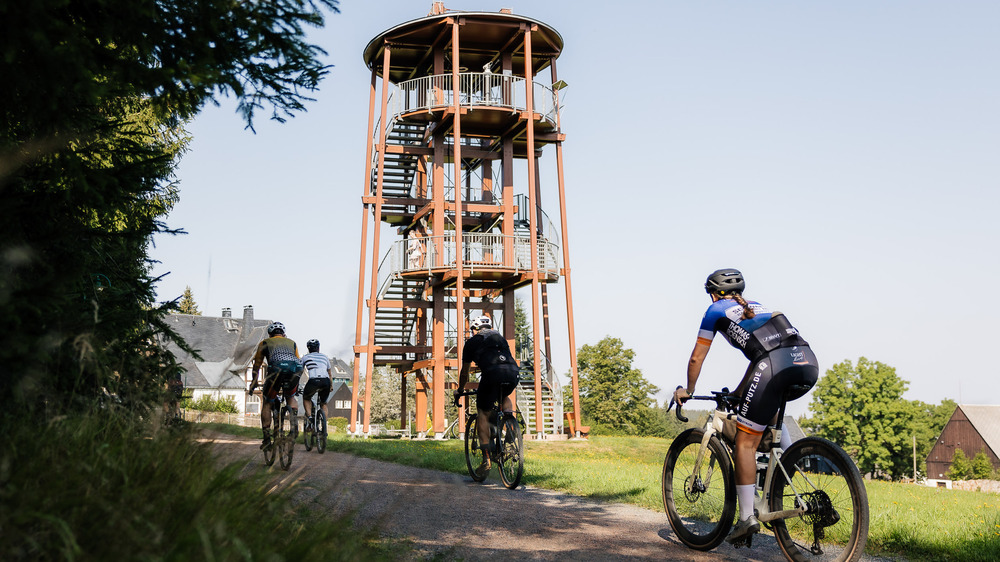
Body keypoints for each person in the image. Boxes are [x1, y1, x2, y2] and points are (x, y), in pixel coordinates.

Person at [673, 268, 819, 545]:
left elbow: (696, 359)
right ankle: (782, 479)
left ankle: (746, 519)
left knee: (745, 443)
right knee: (769, 415)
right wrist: (742, 392)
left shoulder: (715, 310)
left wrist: (688, 390)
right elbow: (760, 357)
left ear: (714, 293)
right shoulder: (757, 306)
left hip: (773, 365)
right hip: (806, 361)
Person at [456, 315, 520, 475]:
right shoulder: (500, 338)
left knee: (483, 413)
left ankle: (486, 460)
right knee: (504, 396)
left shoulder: (471, 343)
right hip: (512, 372)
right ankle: (511, 425)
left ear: (474, 329)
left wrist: (460, 389)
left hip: (492, 374)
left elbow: (465, 372)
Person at [249, 322, 302, 449]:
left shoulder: (264, 343)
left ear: (270, 334)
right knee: (291, 397)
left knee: (267, 403)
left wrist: (254, 381)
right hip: (294, 370)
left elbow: (257, 364)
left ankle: (267, 439)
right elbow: (297, 360)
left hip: (276, 371)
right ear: (283, 334)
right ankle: (294, 426)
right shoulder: (292, 342)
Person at [300, 338, 333, 432]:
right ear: (318, 348)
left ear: (308, 349)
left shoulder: (305, 357)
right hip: (326, 381)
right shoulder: (325, 357)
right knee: (324, 403)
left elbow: (300, 371)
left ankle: (310, 417)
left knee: (306, 398)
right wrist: (331, 386)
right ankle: (324, 426)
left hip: (313, 381)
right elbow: (329, 373)